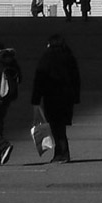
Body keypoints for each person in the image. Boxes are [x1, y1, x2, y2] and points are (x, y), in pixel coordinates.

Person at [31, 33, 81, 163]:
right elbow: (76, 78)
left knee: (55, 126)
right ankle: (60, 153)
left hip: (51, 96)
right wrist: (76, 96)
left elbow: (40, 78)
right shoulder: (69, 57)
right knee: (60, 126)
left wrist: (36, 99)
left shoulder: (47, 57)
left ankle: (62, 153)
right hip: (67, 97)